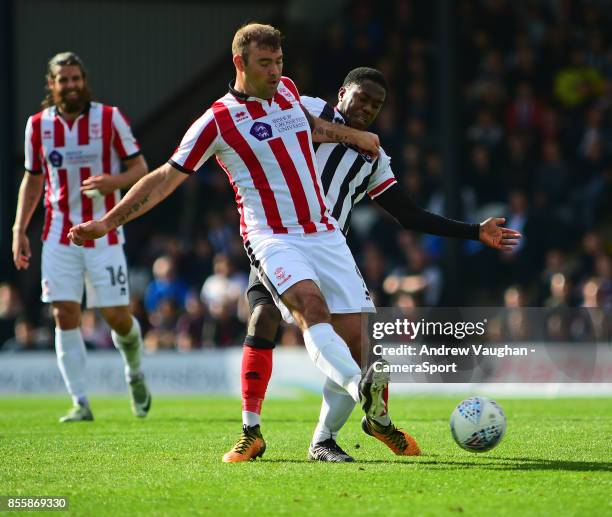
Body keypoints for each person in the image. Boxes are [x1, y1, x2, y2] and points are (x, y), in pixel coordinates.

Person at [67, 24, 391, 461]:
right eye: (265, 64)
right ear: (239, 63)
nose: (276, 72)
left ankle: (327, 437)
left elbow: (310, 127)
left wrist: (355, 136)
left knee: (357, 338)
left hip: (324, 232)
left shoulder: (288, 91)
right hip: (272, 236)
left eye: (279, 62)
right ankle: (359, 393)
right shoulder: (216, 121)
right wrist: (107, 222)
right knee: (308, 308)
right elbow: (164, 179)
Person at [224, 67, 522, 462]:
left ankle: (325, 440)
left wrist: (474, 231)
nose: (367, 108)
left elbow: (409, 214)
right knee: (263, 316)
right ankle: (251, 431)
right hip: (279, 237)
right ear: (342, 92)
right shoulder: (308, 109)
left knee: (363, 346)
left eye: (376, 105)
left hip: (330, 250)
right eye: (362, 98)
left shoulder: (374, 157)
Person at [12, 52, 152, 422]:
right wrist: (18, 229)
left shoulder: (109, 118)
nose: (71, 85)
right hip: (58, 234)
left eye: (76, 79)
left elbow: (141, 169)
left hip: (104, 232)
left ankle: (135, 371)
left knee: (116, 317)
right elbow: (33, 178)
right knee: (64, 312)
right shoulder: (37, 126)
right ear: (52, 85)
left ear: (84, 81)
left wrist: (113, 181)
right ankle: (80, 402)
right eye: (64, 80)